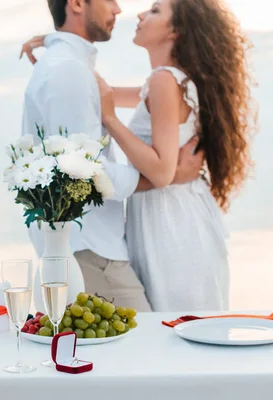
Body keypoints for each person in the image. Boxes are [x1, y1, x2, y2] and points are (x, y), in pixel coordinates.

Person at [19, 0, 205, 311]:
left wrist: (52, 40)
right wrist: (168, 176)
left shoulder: (72, 66)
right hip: (90, 247)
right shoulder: (67, 68)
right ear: (77, 4)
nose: (118, 9)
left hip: (103, 242)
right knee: (150, 346)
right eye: (109, 0)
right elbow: (81, 170)